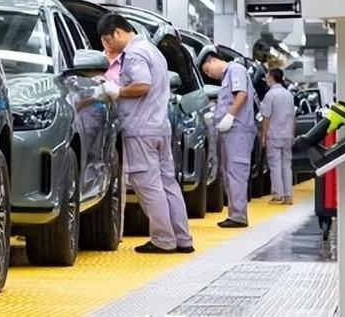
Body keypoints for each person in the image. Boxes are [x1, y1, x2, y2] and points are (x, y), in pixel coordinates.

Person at [96, 14, 194, 254]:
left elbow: (142, 85)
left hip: (141, 128)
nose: (107, 46)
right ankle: (182, 238)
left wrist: (116, 91)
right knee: (168, 183)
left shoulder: (134, 54)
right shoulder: (153, 51)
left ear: (118, 32)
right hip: (159, 126)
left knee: (147, 184)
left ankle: (163, 239)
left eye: (107, 40)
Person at [201, 51, 258, 228]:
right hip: (231, 132)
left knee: (236, 171)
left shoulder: (235, 69)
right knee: (229, 172)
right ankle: (235, 214)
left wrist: (230, 116)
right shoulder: (227, 76)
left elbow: (242, 94)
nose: (210, 75)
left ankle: (238, 216)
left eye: (208, 70)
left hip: (238, 130)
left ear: (214, 60)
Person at [260, 68, 296, 205]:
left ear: (272, 77)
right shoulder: (288, 95)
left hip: (274, 135)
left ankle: (277, 194)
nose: (266, 78)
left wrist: (264, 135)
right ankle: (288, 195)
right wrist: (292, 134)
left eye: (268, 75)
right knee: (287, 165)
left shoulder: (270, 95)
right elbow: (293, 117)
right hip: (287, 135)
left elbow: (266, 117)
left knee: (275, 164)